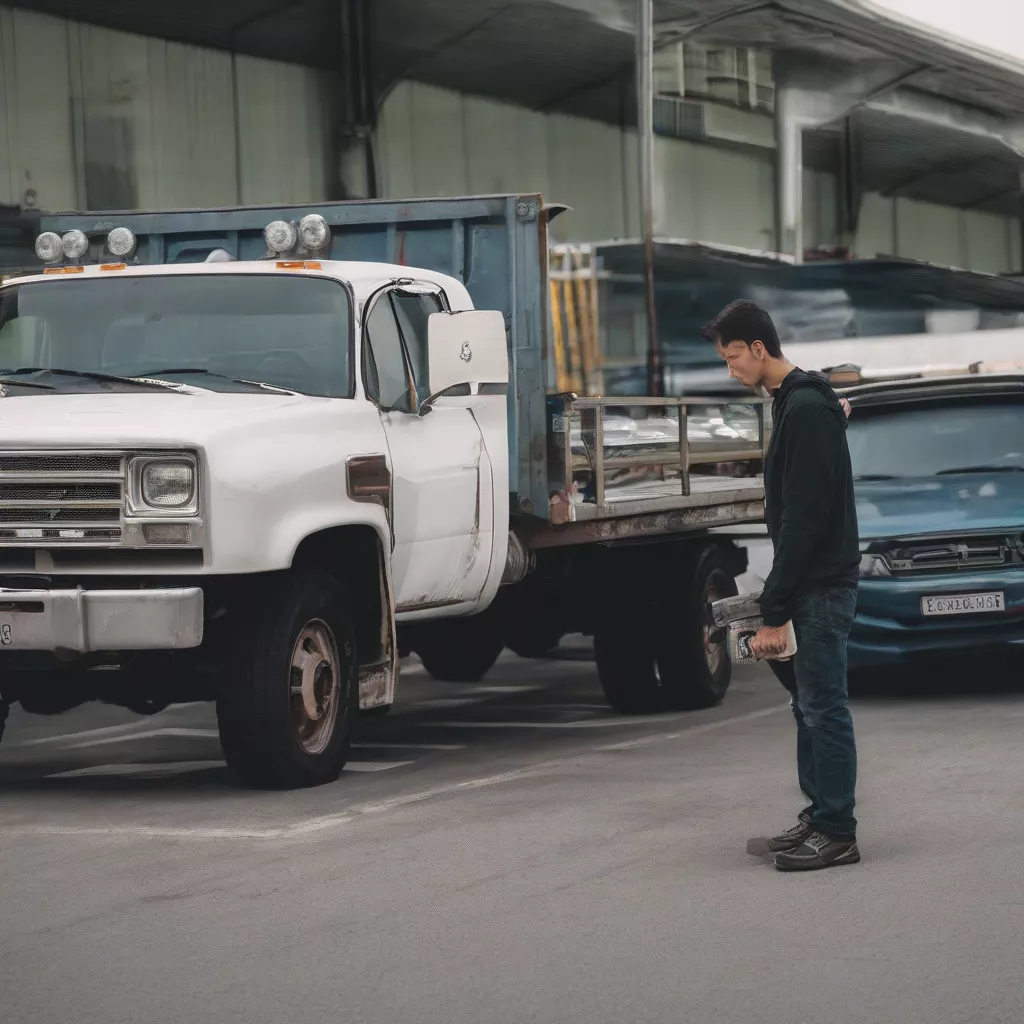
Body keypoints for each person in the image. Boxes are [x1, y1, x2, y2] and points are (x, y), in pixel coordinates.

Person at [703, 299, 861, 872]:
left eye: (732, 358)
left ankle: (838, 831)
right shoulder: (795, 403)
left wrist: (775, 605)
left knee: (824, 708)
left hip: (821, 585)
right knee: (808, 707)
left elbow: (806, 516)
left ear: (758, 349)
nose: (731, 370)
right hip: (809, 582)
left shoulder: (807, 409)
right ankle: (820, 817)